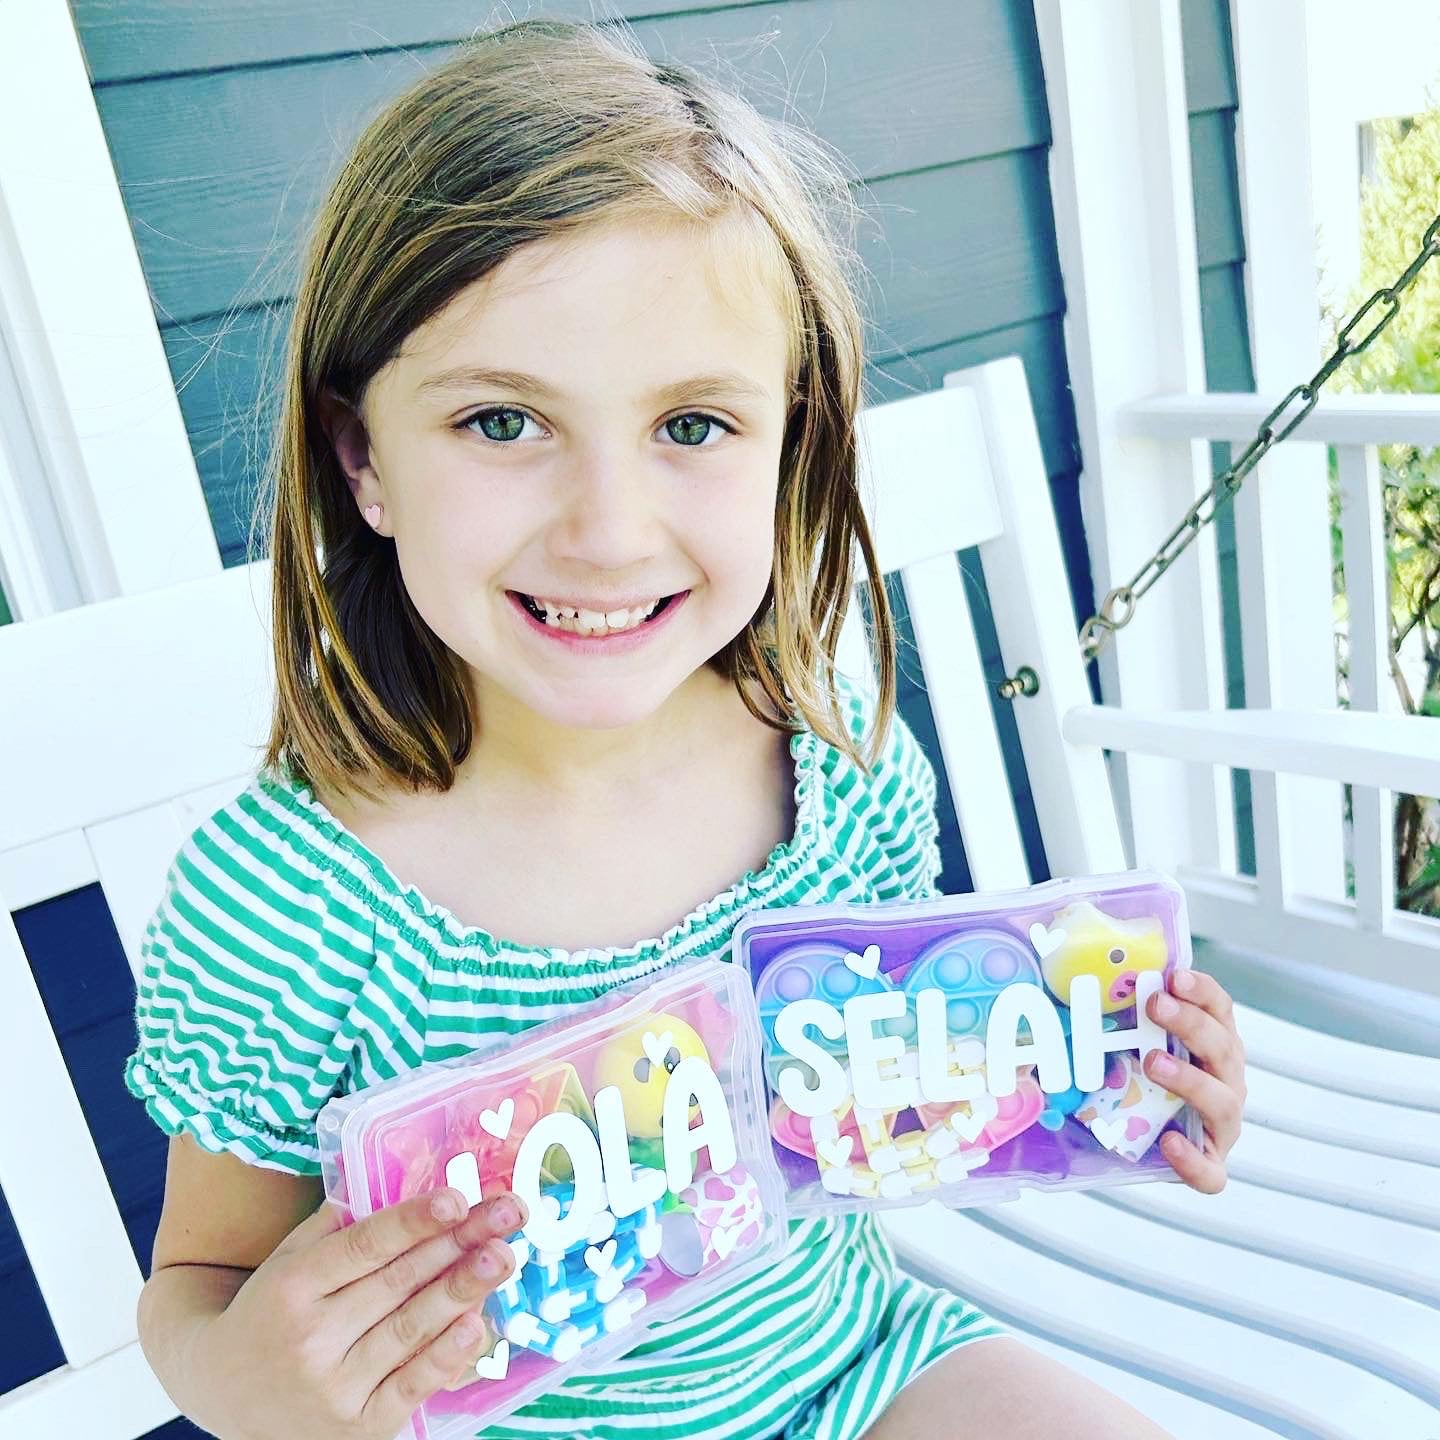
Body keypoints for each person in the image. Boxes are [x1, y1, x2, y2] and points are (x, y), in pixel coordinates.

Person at [124, 17, 1247, 1440]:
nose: (606, 531)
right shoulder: (290, 902)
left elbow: (899, 1101)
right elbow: (199, 1279)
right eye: (501, 422)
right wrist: (247, 1383)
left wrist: (1120, 1070)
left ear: (789, 451)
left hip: (856, 1368)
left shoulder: (839, 774)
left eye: (694, 428)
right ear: (364, 460)